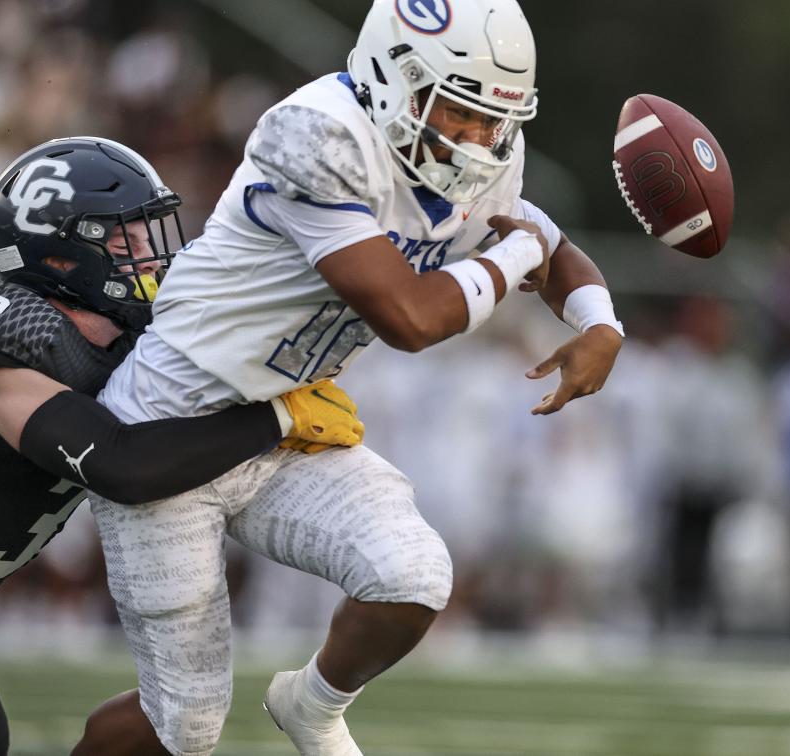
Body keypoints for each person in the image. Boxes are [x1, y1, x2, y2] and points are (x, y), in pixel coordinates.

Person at [88, 1, 625, 754]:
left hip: (285, 427)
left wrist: (602, 323)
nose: (478, 141)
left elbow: (546, 239)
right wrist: (515, 257)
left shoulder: (482, 151)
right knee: (181, 725)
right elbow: (410, 318)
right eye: (459, 113)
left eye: (492, 120)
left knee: (413, 578)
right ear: (393, 76)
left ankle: (311, 705)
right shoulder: (316, 134)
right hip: (168, 430)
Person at [0, 136, 365, 756]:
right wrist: (276, 417)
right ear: (58, 254)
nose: (151, 258)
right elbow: (120, 463)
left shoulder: (129, 347)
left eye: (149, 235)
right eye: (124, 240)